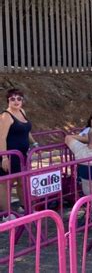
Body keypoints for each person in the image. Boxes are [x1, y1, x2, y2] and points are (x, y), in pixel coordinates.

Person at [0, 89, 38, 221]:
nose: (16, 101)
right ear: (8, 101)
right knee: (5, 184)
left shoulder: (22, 112)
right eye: (12, 99)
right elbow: (2, 138)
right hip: (9, 155)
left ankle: (24, 207)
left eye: (19, 98)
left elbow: (27, 132)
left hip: (22, 155)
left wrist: (35, 144)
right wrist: (4, 157)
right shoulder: (6, 116)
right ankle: (7, 214)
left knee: (22, 182)